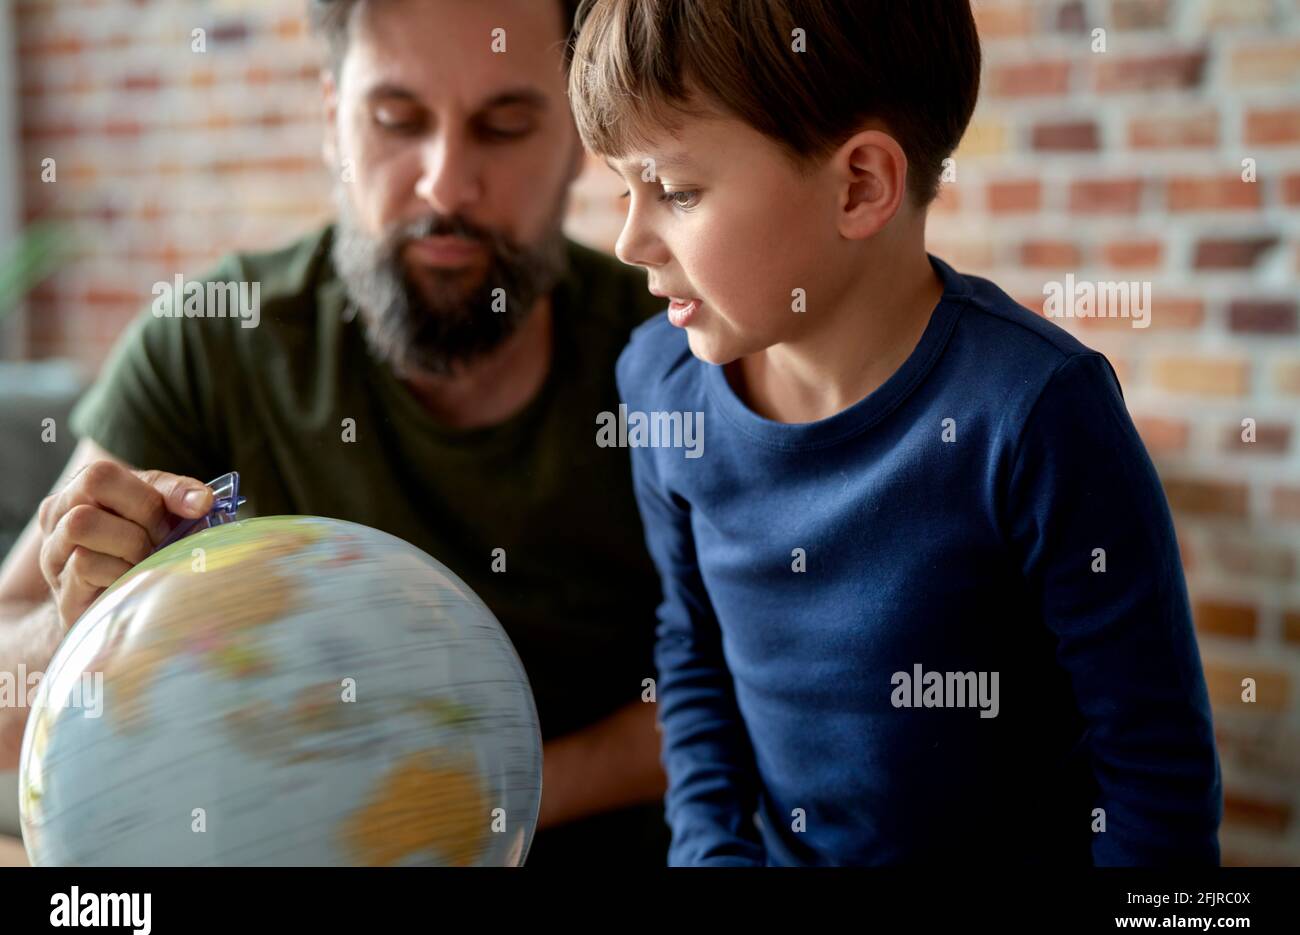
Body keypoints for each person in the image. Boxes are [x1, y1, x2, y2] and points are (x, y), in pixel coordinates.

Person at [0, 0, 669, 866]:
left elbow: (753, 691)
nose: (443, 184)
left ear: (579, 141)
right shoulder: (211, 342)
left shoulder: (671, 353)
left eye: (504, 127)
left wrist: (471, 810)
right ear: (330, 120)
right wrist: (81, 616)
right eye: (396, 121)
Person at [568, 0, 1222, 864]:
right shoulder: (657, 386)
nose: (628, 240)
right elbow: (693, 655)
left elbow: (1153, 774)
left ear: (861, 186)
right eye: (623, 188)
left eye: (676, 192)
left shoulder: (1039, 413)